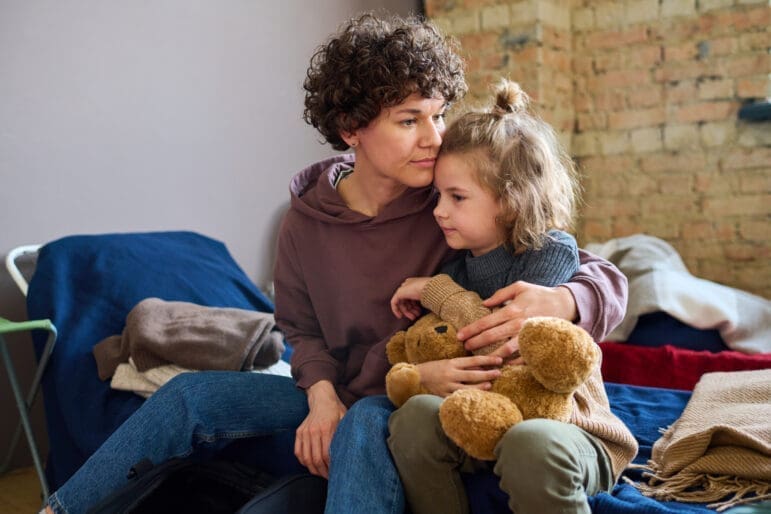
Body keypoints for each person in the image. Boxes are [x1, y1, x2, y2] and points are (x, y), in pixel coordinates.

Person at [43, 13, 627, 514]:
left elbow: (584, 264)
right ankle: (60, 507)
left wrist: (565, 299)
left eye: (439, 115)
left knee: (366, 426)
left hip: (397, 393)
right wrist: (320, 393)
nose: (435, 137)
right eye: (409, 119)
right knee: (189, 396)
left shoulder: (449, 202)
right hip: (335, 385)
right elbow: (299, 328)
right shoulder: (304, 223)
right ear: (352, 131)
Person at [387, 80, 638, 514]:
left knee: (531, 440)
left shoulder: (548, 252)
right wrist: (424, 373)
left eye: (457, 197)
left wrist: (436, 292)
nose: (439, 210)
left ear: (508, 202)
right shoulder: (456, 266)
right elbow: (446, 343)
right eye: (439, 195)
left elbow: (502, 343)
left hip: (567, 427)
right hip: (483, 420)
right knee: (411, 419)